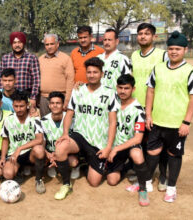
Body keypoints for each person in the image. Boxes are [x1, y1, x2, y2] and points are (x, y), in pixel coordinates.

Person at [145, 31, 193, 203]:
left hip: (177, 124)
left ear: (186, 50)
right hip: (157, 120)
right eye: (170, 48)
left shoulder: (190, 71)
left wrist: (186, 122)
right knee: (152, 152)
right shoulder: (158, 68)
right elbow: (150, 90)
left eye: (177, 49)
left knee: (174, 154)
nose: (174, 52)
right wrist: (148, 114)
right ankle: (147, 181)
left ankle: (171, 187)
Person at [54, 57, 119, 200]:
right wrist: (65, 134)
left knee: (94, 182)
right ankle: (66, 184)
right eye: (89, 72)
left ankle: (84, 162)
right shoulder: (78, 90)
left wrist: (108, 147)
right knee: (60, 148)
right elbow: (69, 113)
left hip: (98, 142)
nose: (91, 75)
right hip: (80, 135)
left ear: (101, 74)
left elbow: (113, 122)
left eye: (95, 72)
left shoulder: (109, 93)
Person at [127, 23, 168, 193]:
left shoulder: (163, 55)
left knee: (160, 143)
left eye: (147, 34)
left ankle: (164, 176)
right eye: (140, 34)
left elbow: (176, 69)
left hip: (157, 107)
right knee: (141, 140)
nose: (143, 36)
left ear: (154, 37)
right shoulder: (134, 55)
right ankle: (143, 172)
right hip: (137, 108)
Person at [106, 74, 150, 206]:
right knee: (112, 181)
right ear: (116, 88)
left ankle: (143, 189)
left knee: (137, 154)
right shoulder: (113, 103)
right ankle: (127, 167)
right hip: (114, 144)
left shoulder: (138, 110)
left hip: (129, 145)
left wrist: (116, 149)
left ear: (133, 89)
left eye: (126, 88)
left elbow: (138, 138)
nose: (123, 91)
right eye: (120, 88)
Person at [0, 91, 46, 194]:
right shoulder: (8, 120)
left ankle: (39, 180)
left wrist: (20, 148)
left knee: (39, 149)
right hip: (15, 156)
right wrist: (3, 157)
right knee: (7, 174)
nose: (19, 109)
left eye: (22, 106)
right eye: (16, 106)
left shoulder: (35, 119)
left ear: (27, 105)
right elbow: (5, 139)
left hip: (30, 153)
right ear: (13, 105)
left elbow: (39, 139)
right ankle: (19, 170)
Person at [40, 92, 79, 180]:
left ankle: (75, 167)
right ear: (49, 105)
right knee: (40, 156)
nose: (55, 106)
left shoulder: (72, 119)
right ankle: (52, 165)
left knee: (73, 162)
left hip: (67, 153)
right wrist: (48, 154)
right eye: (52, 103)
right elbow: (41, 142)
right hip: (50, 153)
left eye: (58, 103)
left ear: (63, 105)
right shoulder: (42, 121)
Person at [0, 32, 40, 108]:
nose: (17, 45)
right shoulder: (5, 58)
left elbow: (36, 79)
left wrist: (33, 97)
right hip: (9, 96)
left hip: (26, 95)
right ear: (11, 44)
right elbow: (1, 78)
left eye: (20, 42)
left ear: (24, 43)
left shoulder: (31, 58)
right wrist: (0, 95)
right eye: (14, 42)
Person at [38, 34, 74, 116]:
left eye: (52, 44)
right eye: (47, 44)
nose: (49, 47)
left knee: (60, 125)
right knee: (45, 124)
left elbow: (70, 80)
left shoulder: (65, 59)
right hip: (44, 98)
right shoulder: (40, 59)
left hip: (60, 98)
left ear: (57, 44)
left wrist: (67, 100)